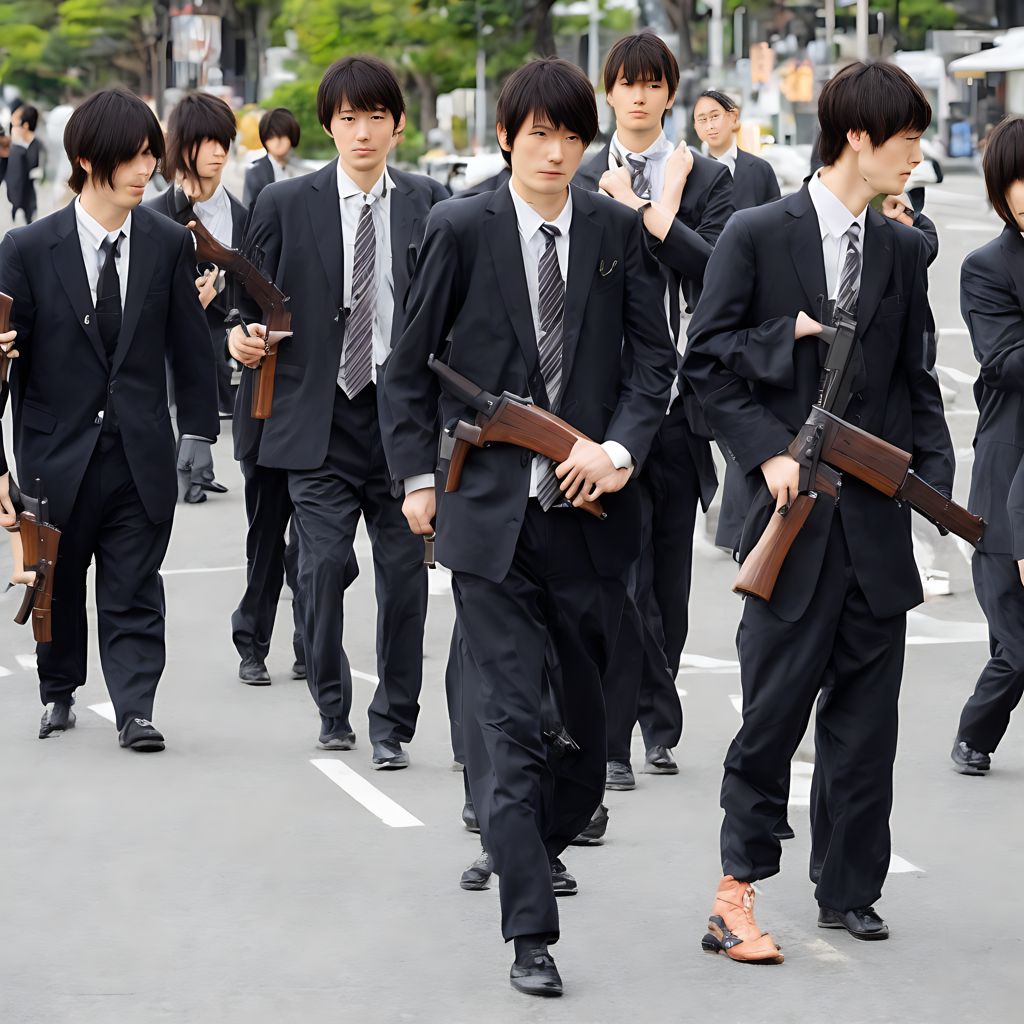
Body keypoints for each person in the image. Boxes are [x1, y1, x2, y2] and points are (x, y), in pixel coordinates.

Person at [380, 56, 676, 996]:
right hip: (488, 519)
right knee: (510, 722)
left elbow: (653, 364)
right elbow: (407, 366)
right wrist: (418, 479)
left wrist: (616, 451)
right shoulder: (459, 226)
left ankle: (535, 842)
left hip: (591, 519)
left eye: (571, 135)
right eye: (538, 134)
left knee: (587, 738)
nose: (555, 152)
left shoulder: (615, 231)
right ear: (507, 137)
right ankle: (530, 933)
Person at [681, 60, 954, 960]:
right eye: (908, 139)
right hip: (787, 521)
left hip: (876, 526)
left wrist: (935, 494)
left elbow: (916, 382)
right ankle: (735, 894)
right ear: (859, 139)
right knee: (771, 719)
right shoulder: (760, 232)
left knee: (868, 728)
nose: (916, 155)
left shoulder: (902, 249)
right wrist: (766, 452)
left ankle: (849, 888)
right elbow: (706, 361)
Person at [226, 55, 446, 764]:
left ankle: (394, 723)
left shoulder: (432, 204)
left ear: (398, 125)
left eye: (376, 117)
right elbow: (246, 297)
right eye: (349, 118)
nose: (362, 132)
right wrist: (240, 334)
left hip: (401, 422)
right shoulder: (285, 204)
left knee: (404, 580)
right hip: (316, 417)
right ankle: (332, 704)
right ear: (329, 125)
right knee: (319, 568)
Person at [0, 86, 218, 751]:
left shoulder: (167, 243)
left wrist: (199, 433)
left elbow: (189, 346)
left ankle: (135, 709)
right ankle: (59, 691)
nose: (146, 169)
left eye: (152, 154)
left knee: (133, 586)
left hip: (139, 451)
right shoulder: (27, 248)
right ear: (88, 158)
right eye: (132, 156)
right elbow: (4, 361)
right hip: (55, 454)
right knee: (59, 584)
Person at [574, 30, 729, 790]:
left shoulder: (707, 177)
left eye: (652, 83)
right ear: (609, 92)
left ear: (671, 93)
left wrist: (651, 210)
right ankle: (624, 734)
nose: (638, 95)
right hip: (607, 410)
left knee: (669, 580)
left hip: (681, 408)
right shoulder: (577, 173)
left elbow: (722, 273)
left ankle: (657, 720)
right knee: (621, 579)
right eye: (625, 83)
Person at [951, 115, 1024, 776]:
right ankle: (976, 731)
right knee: (1017, 641)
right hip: (1008, 471)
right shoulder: (986, 269)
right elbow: (1004, 361)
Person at [147, 91, 246, 438]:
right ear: (182, 143)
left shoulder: (246, 218)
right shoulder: (150, 217)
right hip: (165, 390)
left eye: (224, 140)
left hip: (231, 384)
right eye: (206, 141)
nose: (219, 152)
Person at [693, 90, 780, 212]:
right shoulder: (690, 172)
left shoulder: (761, 169)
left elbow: (775, 217)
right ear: (695, 126)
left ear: (733, 117)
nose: (710, 126)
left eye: (715, 116)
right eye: (702, 119)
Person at [243, 107, 301, 212]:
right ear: (264, 138)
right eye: (271, 136)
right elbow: (249, 212)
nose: (277, 141)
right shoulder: (254, 171)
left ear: (292, 135)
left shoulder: (302, 170)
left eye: (282, 135)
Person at [5, 104, 44, 224]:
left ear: (25, 126)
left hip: (32, 209)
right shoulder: (10, 148)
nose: (12, 129)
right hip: (12, 205)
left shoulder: (38, 149)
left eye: (14, 125)